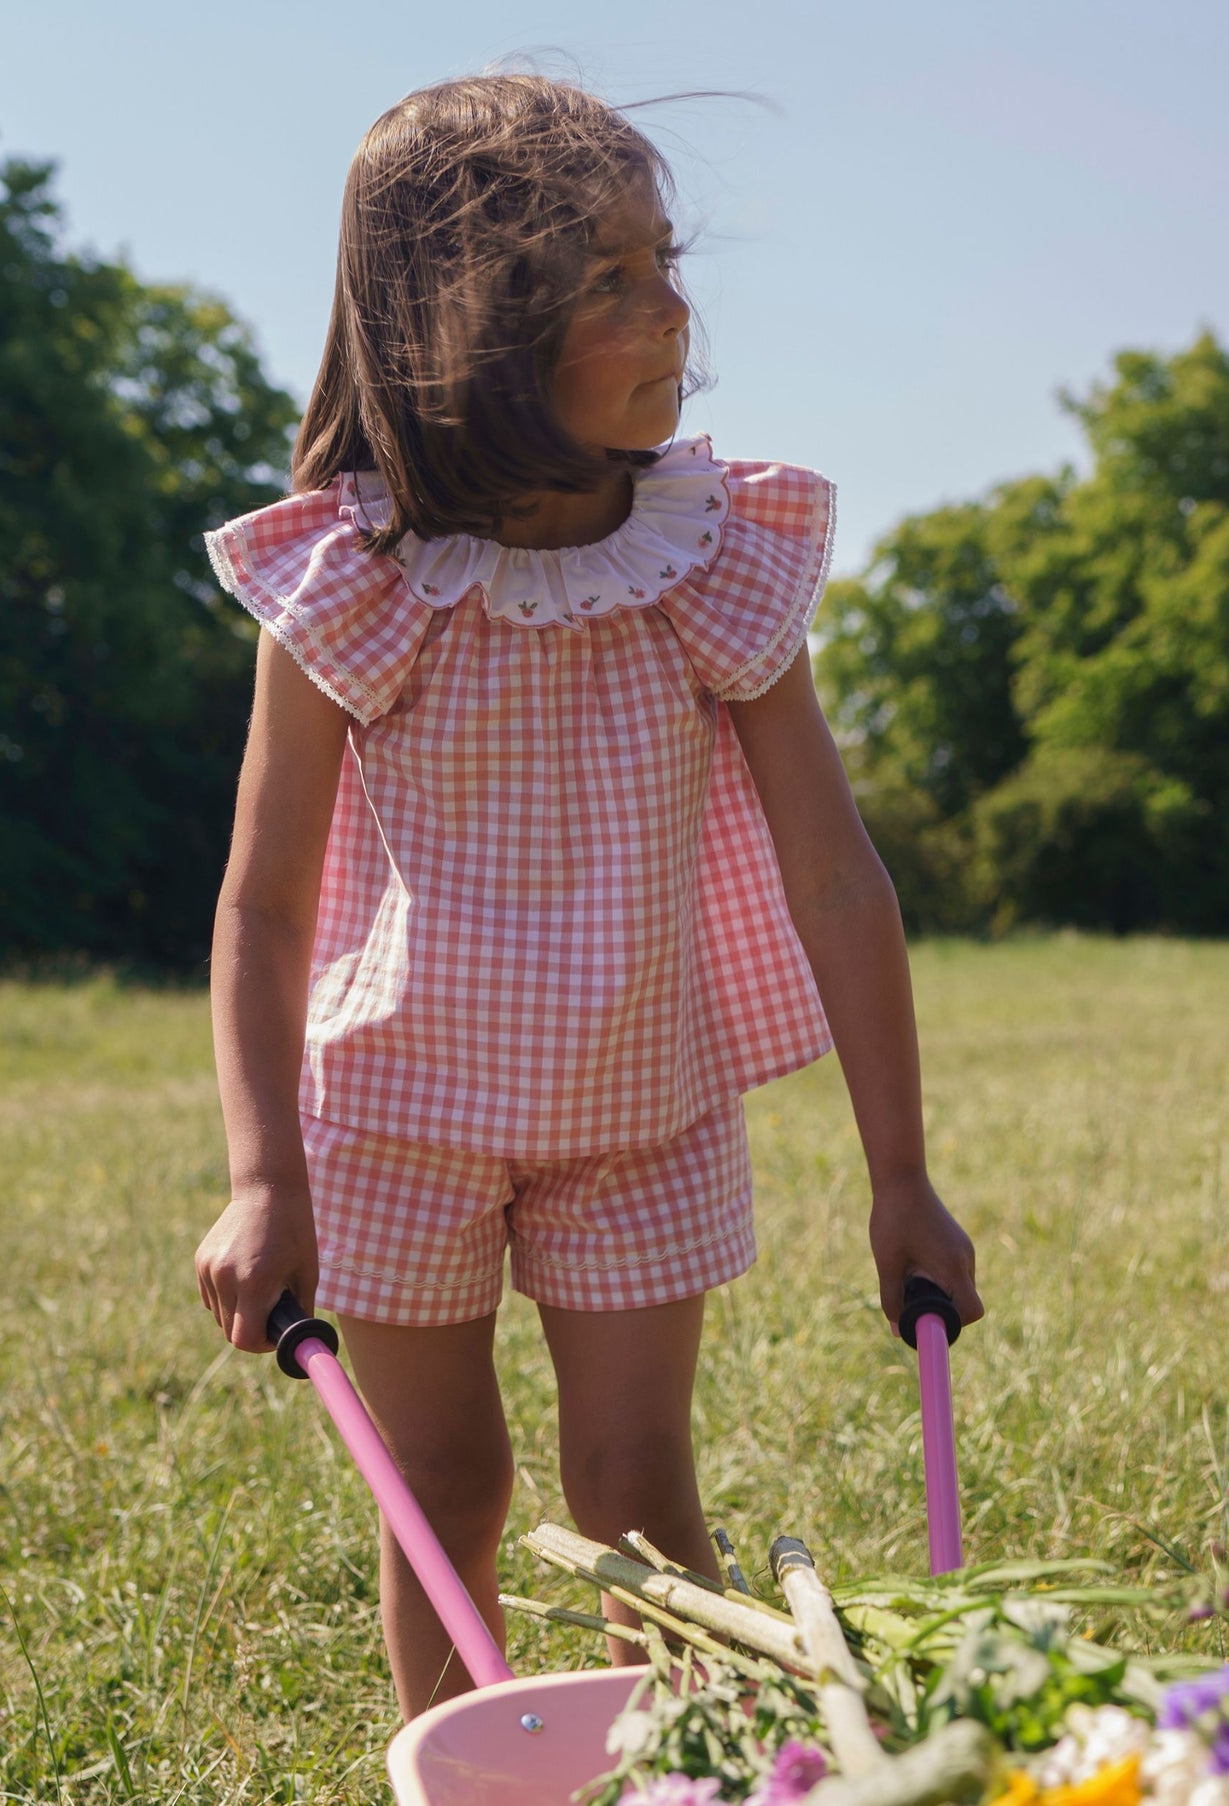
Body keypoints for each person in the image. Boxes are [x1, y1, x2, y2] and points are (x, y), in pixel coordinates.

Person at [193, 72, 983, 1720]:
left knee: (637, 1491)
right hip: (400, 1111)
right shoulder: (356, 577)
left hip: (643, 1106)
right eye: (609, 278)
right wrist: (264, 1172)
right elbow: (265, 905)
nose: (672, 307)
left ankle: (680, 1766)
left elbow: (834, 877)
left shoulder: (709, 553)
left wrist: (898, 1174)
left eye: (663, 259)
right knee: (446, 1487)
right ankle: (462, 1761)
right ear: (474, 327)